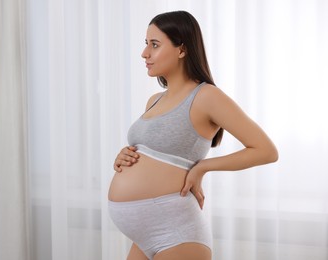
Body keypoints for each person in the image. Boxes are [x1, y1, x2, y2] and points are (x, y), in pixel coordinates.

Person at [108, 10, 278, 260]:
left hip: (176, 232)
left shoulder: (206, 96)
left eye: (155, 45)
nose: (145, 53)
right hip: (143, 235)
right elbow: (153, 153)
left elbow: (266, 150)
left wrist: (202, 167)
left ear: (182, 50)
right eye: (146, 44)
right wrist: (123, 157)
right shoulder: (154, 101)